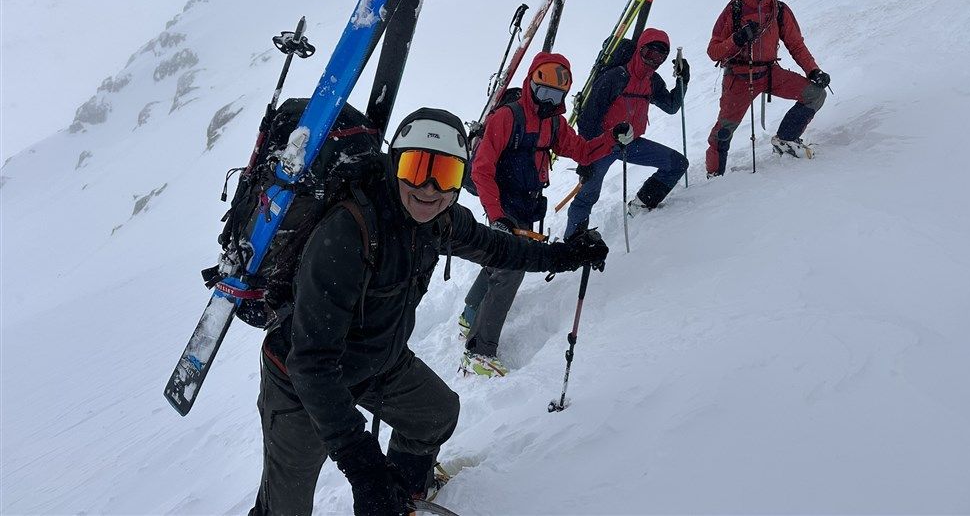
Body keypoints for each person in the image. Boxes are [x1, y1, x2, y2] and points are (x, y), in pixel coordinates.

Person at [250, 107, 609, 516]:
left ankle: (405, 496)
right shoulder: (347, 231)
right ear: (395, 165)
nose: (429, 188)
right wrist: (365, 468)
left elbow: (499, 247)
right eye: (417, 167)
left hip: (377, 361)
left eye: (446, 174)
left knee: (435, 415)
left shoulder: (441, 220)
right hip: (301, 379)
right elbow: (311, 363)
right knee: (286, 507)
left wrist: (564, 255)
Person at [461, 52, 627, 378]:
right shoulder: (507, 117)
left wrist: (612, 138)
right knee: (511, 268)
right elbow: (481, 170)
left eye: (556, 95)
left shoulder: (554, 123)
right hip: (503, 202)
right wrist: (497, 216)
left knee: (501, 258)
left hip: (526, 203)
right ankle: (479, 352)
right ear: (530, 84)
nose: (548, 100)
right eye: (543, 92)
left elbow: (582, 151)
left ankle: (470, 312)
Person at [705, 0, 830, 176]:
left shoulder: (779, 10)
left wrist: (813, 70)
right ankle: (715, 175)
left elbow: (796, 44)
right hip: (739, 78)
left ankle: (786, 139)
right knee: (723, 132)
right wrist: (737, 39)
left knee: (815, 94)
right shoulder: (734, 10)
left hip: (769, 73)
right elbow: (713, 51)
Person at [563, 27, 690, 239]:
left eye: (659, 56)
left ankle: (641, 205)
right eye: (649, 53)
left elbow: (671, 106)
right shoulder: (615, 77)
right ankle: (572, 242)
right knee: (587, 196)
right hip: (602, 146)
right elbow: (588, 120)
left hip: (631, 143)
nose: (653, 60)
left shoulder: (652, 81)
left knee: (677, 164)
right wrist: (586, 158)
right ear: (639, 49)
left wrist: (682, 80)